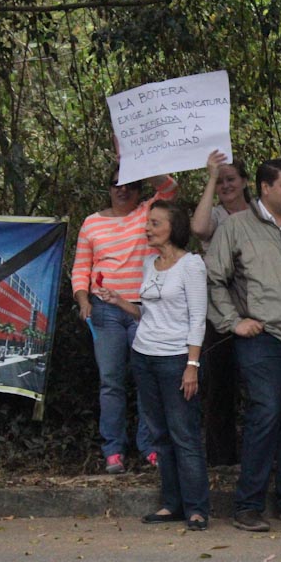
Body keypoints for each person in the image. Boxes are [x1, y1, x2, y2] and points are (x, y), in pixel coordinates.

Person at [206, 158, 281, 532]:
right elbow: (214, 278)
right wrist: (233, 321)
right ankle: (248, 505)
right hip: (263, 340)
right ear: (264, 188)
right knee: (266, 415)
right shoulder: (237, 227)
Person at [96, 200, 210, 530]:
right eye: (148, 223)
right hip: (144, 356)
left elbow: (197, 318)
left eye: (155, 223)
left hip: (176, 360)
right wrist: (118, 301)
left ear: (173, 227)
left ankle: (197, 507)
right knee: (159, 435)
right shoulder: (149, 263)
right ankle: (171, 504)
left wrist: (192, 364)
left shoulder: (192, 265)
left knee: (184, 434)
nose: (148, 228)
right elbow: (147, 313)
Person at [71, 168, 177, 474]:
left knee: (148, 381)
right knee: (111, 382)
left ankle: (150, 446)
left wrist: (143, 161)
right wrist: (83, 300)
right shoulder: (92, 223)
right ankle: (113, 450)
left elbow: (170, 188)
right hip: (105, 310)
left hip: (144, 309)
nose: (123, 190)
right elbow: (81, 268)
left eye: (131, 185)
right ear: (108, 189)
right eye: (117, 185)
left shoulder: (146, 213)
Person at [190, 150, 251, 467]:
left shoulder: (259, 213)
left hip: (256, 306)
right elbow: (199, 230)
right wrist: (212, 176)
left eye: (231, 179)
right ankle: (221, 457)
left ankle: (257, 456)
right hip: (217, 308)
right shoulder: (214, 215)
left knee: (258, 387)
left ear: (244, 181)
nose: (227, 185)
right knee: (219, 384)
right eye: (222, 180)